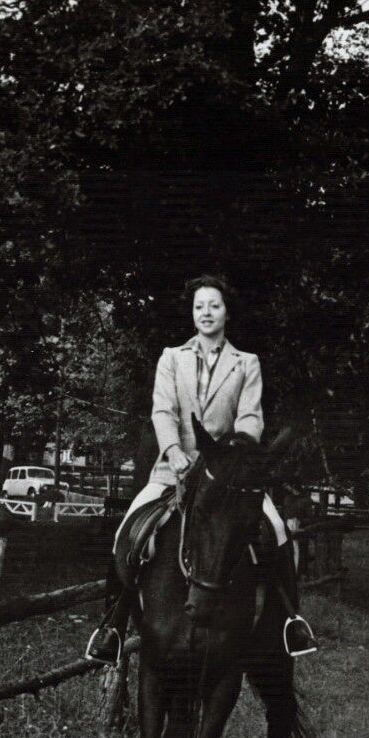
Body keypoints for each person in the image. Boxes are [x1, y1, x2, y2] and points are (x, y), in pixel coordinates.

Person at [86, 275, 315, 663]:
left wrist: (233, 455)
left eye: (214, 305)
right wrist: (174, 450)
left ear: (227, 312)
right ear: (192, 314)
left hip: (227, 473)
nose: (206, 313)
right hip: (173, 469)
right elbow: (163, 410)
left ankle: (290, 621)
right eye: (199, 306)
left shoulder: (247, 363)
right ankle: (113, 625)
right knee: (129, 531)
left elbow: (250, 419)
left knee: (276, 531)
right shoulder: (171, 357)